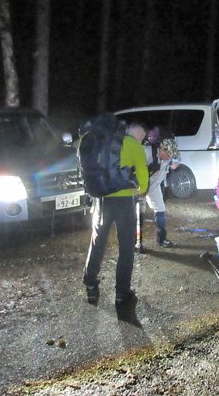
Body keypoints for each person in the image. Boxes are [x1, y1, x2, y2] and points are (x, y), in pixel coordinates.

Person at [82, 123, 149, 307]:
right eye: (142, 136)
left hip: (101, 200)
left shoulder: (99, 143)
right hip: (125, 201)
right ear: (135, 133)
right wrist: (141, 190)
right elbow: (142, 172)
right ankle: (122, 292)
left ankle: (90, 284)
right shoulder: (133, 145)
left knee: (97, 243)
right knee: (126, 248)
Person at [145, 137, 180, 248]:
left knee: (160, 209)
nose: (170, 157)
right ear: (161, 148)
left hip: (154, 186)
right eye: (168, 154)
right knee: (136, 214)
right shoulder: (146, 152)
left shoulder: (169, 157)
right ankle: (135, 243)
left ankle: (161, 239)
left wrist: (175, 162)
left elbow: (177, 158)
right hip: (138, 186)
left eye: (171, 155)